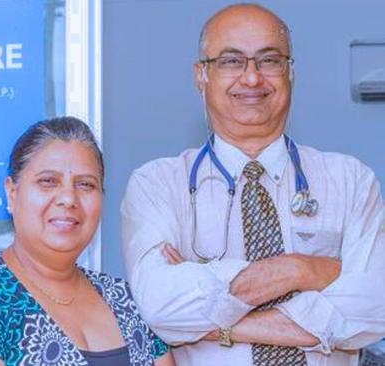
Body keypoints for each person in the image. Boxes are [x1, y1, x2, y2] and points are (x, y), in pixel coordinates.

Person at [121, 4, 385, 366]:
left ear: (291, 72)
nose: (251, 78)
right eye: (231, 61)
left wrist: (291, 273)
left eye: (269, 60)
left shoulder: (351, 180)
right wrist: (320, 272)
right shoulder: (157, 184)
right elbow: (160, 308)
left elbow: (375, 308)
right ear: (201, 75)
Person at [0, 117, 175, 366]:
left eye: (85, 185)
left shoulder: (127, 300)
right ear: (12, 192)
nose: (68, 198)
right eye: (48, 182)